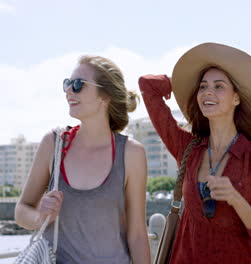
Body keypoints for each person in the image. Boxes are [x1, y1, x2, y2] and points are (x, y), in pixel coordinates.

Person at [138, 42, 251, 263]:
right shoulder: (188, 147)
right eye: (202, 87)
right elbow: (147, 86)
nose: (208, 92)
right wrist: (178, 82)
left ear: (236, 98)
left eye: (219, 86)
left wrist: (235, 199)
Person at [15, 55, 151, 264]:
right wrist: (39, 218)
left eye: (78, 85)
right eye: (67, 84)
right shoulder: (53, 144)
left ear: (104, 97)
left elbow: (138, 235)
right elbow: (22, 209)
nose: (69, 91)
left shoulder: (132, 154)